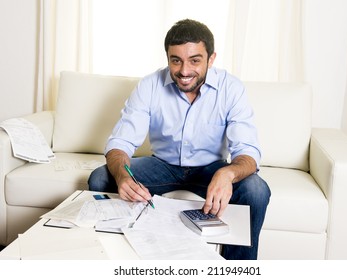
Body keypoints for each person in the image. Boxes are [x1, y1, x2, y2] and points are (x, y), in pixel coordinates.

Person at [88, 19, 271, 260]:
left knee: (256, 190)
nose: (184, 71)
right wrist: (123, 176)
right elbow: (120, 143)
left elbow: (247, 151)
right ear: (167, 58)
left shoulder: (231, 89)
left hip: (211, 168)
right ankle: (118, 259)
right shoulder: (149, 85)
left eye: (195, 60)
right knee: (101, 177)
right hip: (162, 166)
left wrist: (227, 174)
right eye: (176, 60)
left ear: (211, 59)